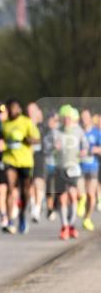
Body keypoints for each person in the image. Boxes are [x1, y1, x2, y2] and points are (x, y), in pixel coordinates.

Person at [0, 99, 40, 234]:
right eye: (10, 108)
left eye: (15, 108)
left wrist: (29, 140)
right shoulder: (4, 124)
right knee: (10, 189)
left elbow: (37, 139)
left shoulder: (26, 122)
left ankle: (22, 215)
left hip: (25, 161)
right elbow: (0, 139)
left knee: (25, 192)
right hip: (9, 160)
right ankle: (10, 220)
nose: (12, 110)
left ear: (19, 109)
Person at [52, 105, 88, 239]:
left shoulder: (78, 131)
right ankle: (64, 227)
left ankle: (72, 225)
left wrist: (83, 151)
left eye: (69, 118)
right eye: (64, 118)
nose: (66, 120)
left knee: (73, 195)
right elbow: (48, 148)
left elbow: (85, 145)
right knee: (62, 198)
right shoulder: (56, 131)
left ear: (73, 119)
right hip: (60, 167)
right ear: (61, 119)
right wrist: (54, 147)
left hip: (73, 168)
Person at [78, 107, 99, 232]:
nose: (84, 119)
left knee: (91, 194)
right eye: (82, 117)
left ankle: (87, 218)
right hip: (79, 167)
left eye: (86, 117)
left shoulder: (96, 133)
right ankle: (81, 201)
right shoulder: (78, 131)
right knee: (81, 193)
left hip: (93, 167)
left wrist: (92, 150)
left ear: (90, 118)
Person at [27, 102, 47, 223]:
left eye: (32, 110)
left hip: (39, 156)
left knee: (38, 181)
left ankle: (37, 208)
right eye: (28, 110)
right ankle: (33, 202)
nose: (30, 113)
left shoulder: (42, 126)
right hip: (26, 156)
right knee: (30, 183)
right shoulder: (25, 124)